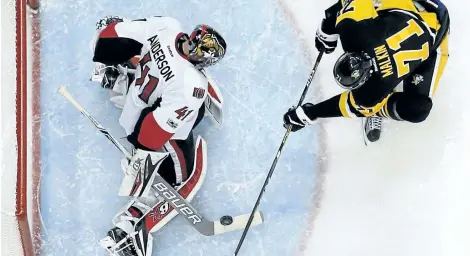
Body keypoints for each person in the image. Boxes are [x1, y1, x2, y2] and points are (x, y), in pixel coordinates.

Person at [89, 16, 227, 255]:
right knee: (180, 176)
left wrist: (107, 59)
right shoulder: (191, 86)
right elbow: (153, 132)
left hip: (134, 99)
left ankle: (114, 77)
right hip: (142, 126)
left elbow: (111, 35)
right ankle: (130, 228)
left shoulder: (168, 27)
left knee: (134, 56)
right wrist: (141, 157)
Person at [283, 0, 450, 144]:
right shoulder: (353, 32)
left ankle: (379, 108)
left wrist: (311, 113)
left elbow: (349, 106)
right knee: (417, 109)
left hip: (435, 38)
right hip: (429, 18)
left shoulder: (373, 92)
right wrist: (329, 27)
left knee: (417, 109)